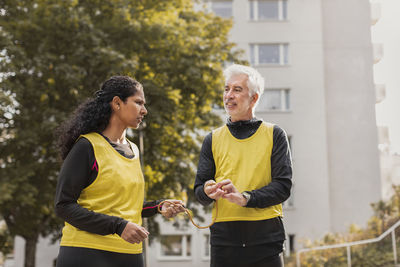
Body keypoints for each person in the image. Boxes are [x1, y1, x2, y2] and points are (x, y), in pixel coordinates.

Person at [54, 76, 185, 267]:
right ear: (117, 103)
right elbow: (63, 205)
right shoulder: (87, 146)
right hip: (87, 253)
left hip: (129, 255)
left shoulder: (134, 149)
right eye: (138, 102)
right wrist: (119, 226)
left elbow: (127, 206)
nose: (144, 110)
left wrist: (159, 206)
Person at [194, 64, 292, 267]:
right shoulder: (212, 139)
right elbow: (199, 192)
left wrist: (245, 198)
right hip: (225, 242)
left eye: (237, 90)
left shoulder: (275, 134)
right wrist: (207, 190)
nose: (229, 95)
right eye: (226, 89)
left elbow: (282, 187)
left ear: (254, 98)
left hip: (266, 239)